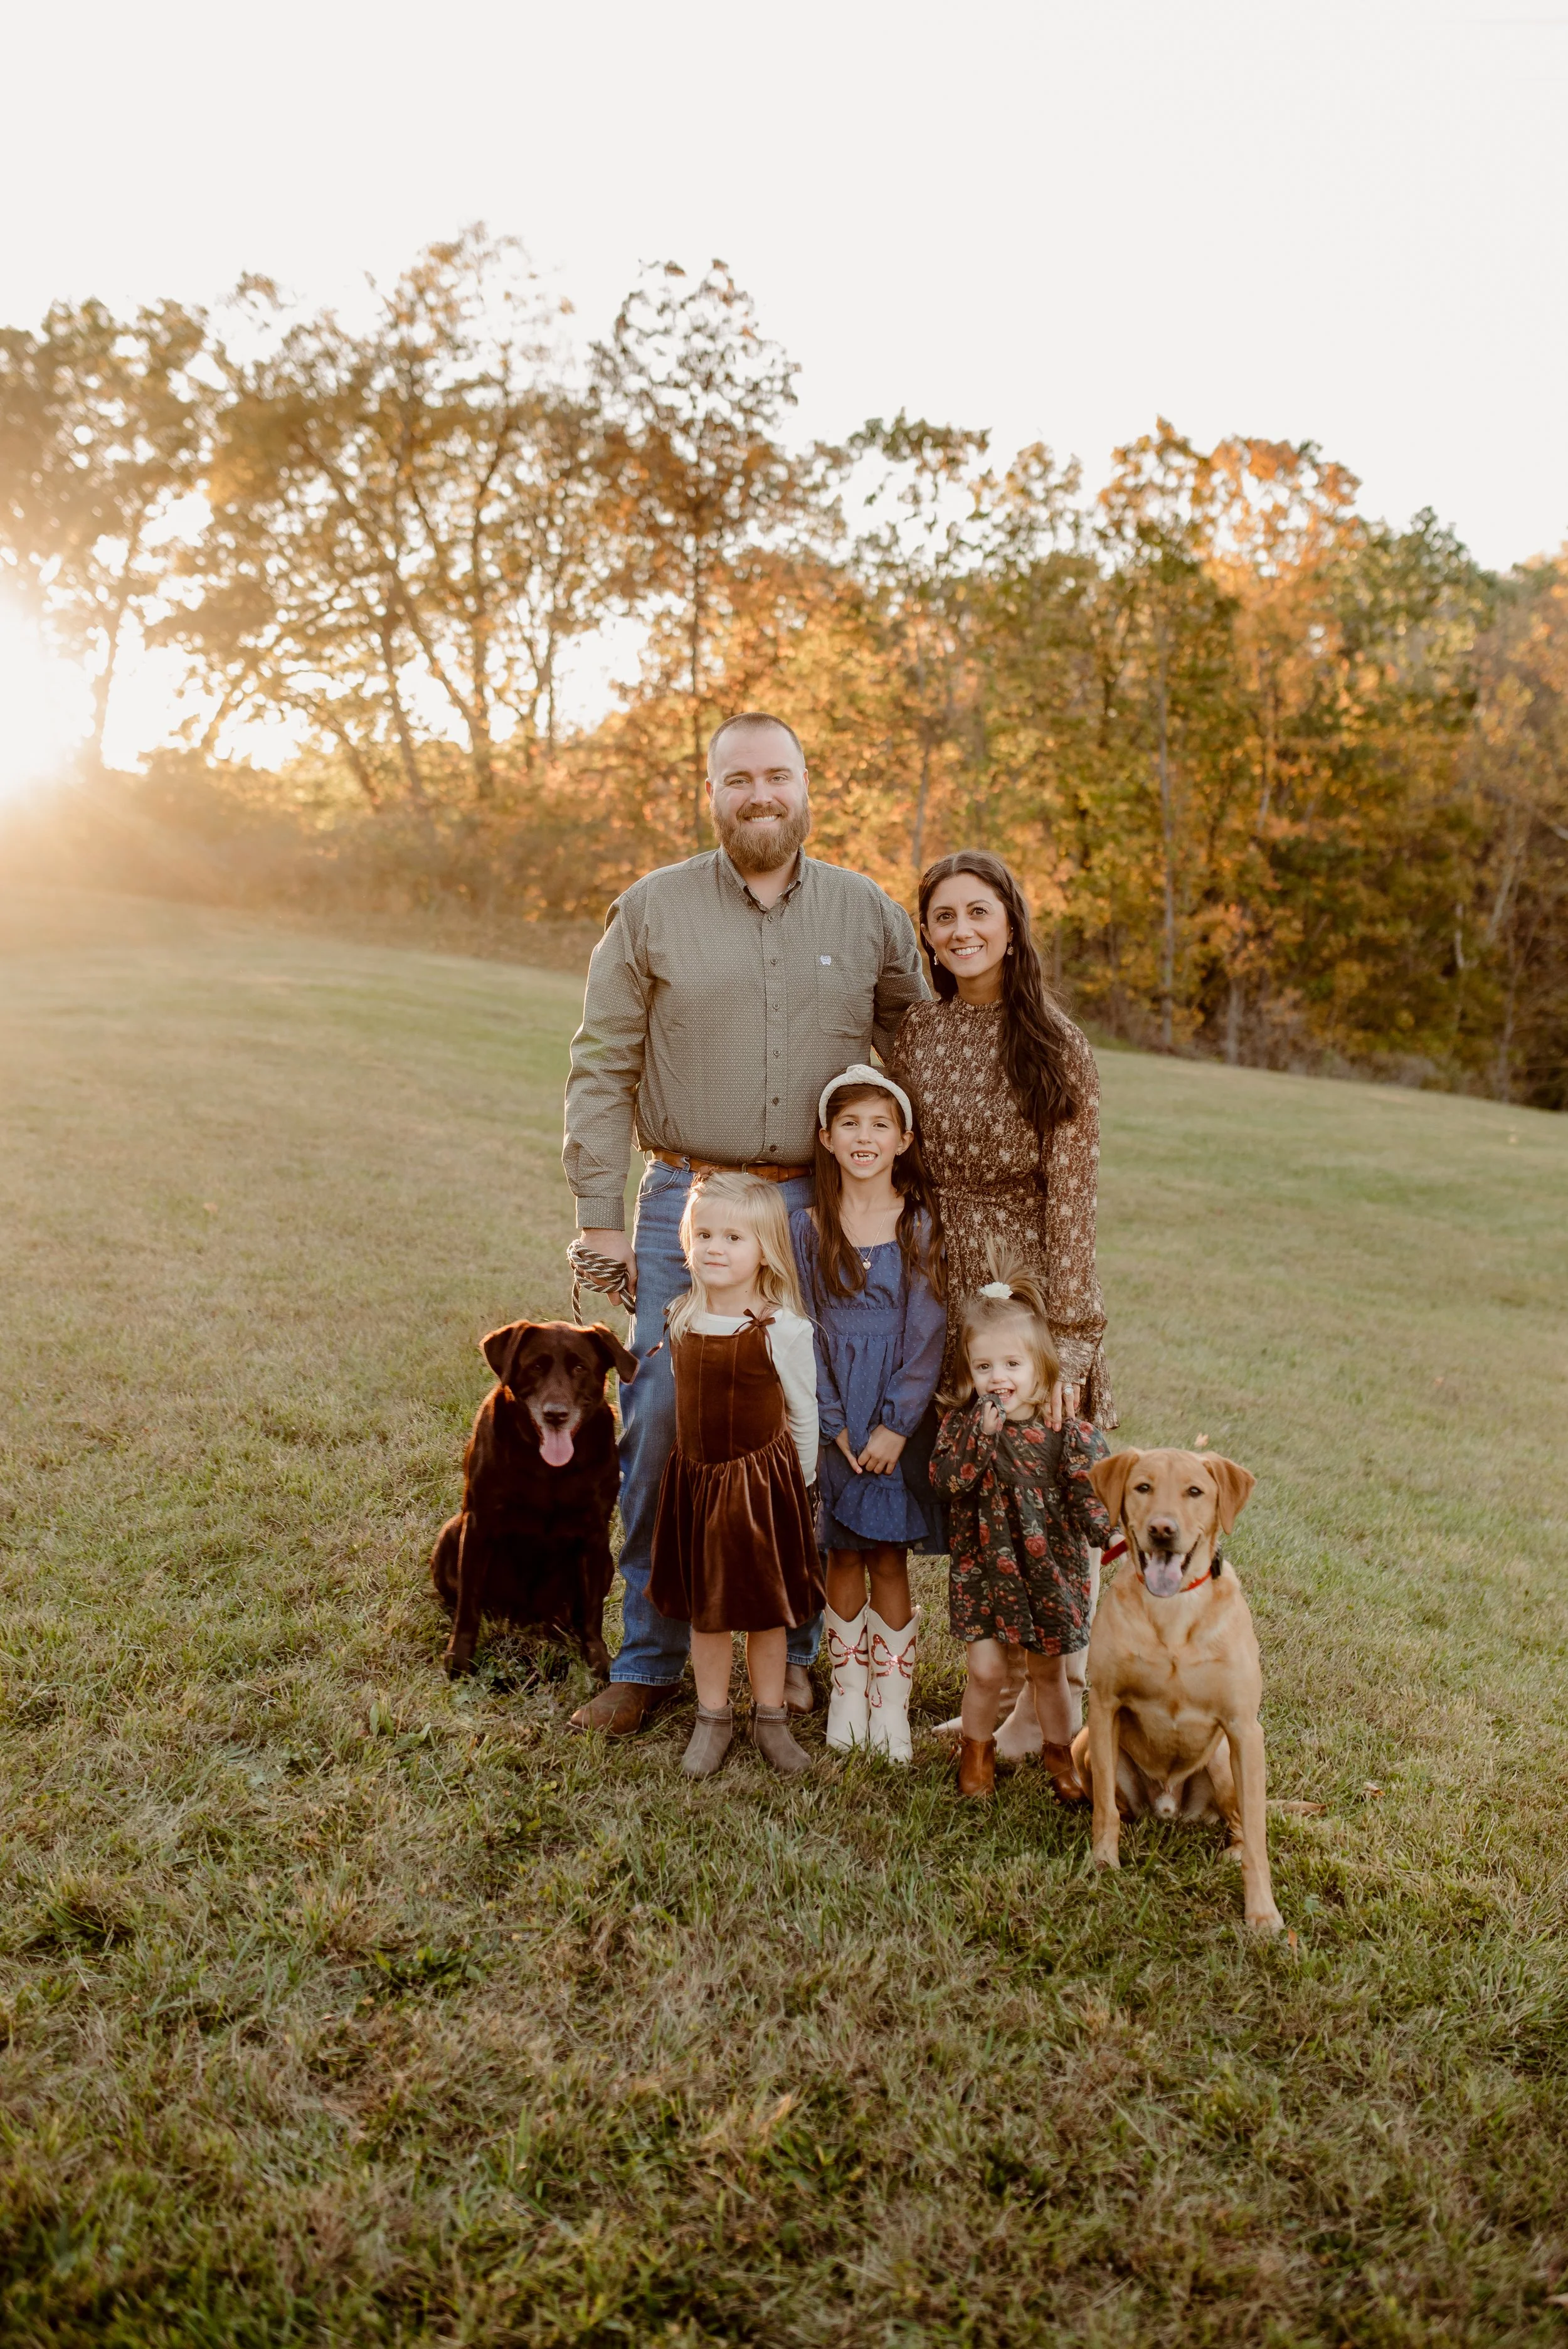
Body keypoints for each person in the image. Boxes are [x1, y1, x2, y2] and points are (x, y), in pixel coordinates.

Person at [563, 712, 928, 1735]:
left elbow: (923, 1046)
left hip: (816, 1211)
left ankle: (792, 1652)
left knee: (802, 1433)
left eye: (777, 777)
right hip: (686, 1205)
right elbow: (601, 1063)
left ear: (807, 786)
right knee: (665, 1429)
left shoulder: (866, 915)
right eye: (738, 781)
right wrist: (599, 1217)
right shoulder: (652, 910)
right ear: (712, 792)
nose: (759, 796)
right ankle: (646, 1658)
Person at [891, 848, 1114, 1758]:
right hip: (939, 1283)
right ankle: (1001, 1689)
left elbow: (1074, 1206)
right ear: (929, 938)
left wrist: (1072, 1342)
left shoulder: (1058, 1045)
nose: (962, 931)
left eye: (978, 912)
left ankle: (1040, 1709)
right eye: (944, 918)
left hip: (1026, 1289)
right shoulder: (915, 1033)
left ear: (1012, 924)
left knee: (1045, 1499)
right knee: (979, 1492)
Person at [790, 1067, 945, 1761]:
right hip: (836, 1418)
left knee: (886, 1550)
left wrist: (894, 1425)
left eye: (880, 1124)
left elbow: (927, 1336)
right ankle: (847, 1693)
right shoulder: (807, 1227)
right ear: (825, 1137)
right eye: (849, 1123)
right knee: (840, 1548)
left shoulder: (917, 1225)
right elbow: (803, 1329)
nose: (864, 1137)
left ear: (903, 1139)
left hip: (891, 1418)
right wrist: (833, 1421)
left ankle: (891, 1706)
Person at [648, 1174, 822, 1778]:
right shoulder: (681, 1317)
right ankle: (712, 1717)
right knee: (708, 1609)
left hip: (762, 1493)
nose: (715, 1247)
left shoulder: (783, 1329)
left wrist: (797, 1490)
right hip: (699, 1485)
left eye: (733, 1236)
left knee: (765, 1609)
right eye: (704, 1234)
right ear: (686, 1242)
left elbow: (804, 1415)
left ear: (766, 1250)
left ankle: (770, 1717)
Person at [929, 1264, 1114, 1803]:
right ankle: (977, 1757)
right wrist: (980, 1439)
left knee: (1048, 1674)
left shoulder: (1067, 1433)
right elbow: (946, 1482)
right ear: (969, 1370)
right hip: (985, 1570)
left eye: (1012, 1363)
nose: (998, 1378)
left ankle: (1061, 1757)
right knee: (984, 1671)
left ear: (1041, 1367)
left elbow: (1090, 1495)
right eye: (984, 1366)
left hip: (1047, 1572)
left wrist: (1104, 1526)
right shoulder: (962, 1427)